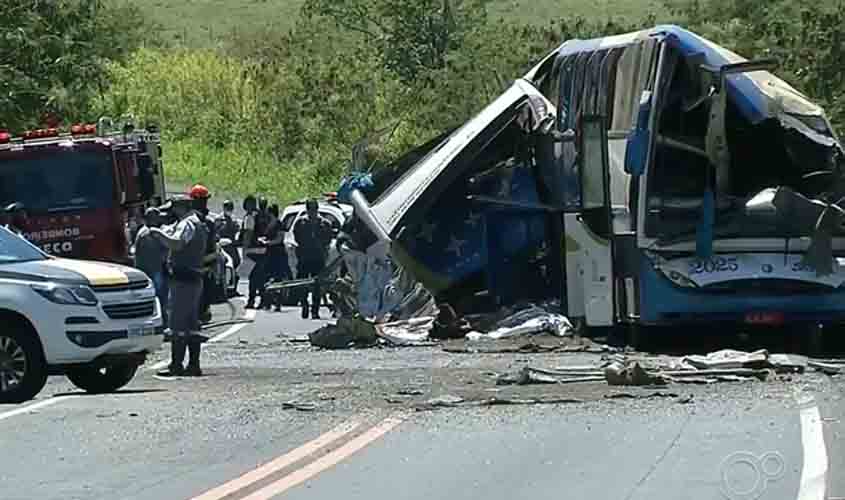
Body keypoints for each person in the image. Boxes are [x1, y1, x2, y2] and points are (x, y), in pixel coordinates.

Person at [151, 194, 208, 377]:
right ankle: (193, 364)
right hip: (193, 279)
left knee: (177, 324)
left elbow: (177, 244)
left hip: (183, 279)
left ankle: (176, 365)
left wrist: (159, 234)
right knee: (191, 325)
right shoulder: (196, 222)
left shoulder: (187, 224)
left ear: (180, 207)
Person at [292, 199, 334, 319]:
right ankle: (304, 305)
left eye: (314, 210)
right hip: (304, 257)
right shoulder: (301, 223)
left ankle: (315, 310)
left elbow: (328, 240)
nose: (312, 213)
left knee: (317, 285)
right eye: (310, 210)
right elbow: (297, 238)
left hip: (318, 257)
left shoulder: (325, 224)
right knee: (302, 283)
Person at [134, 207, 170, 328]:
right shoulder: (150, 233)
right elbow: (163, 252)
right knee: (159, 299)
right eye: (156, 217)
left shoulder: (142, 232)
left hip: (146, 271)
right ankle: (162, 324)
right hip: (154, 271)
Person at [189, 184, 218, 324]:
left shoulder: (209, 222)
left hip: (205, 264)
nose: (203, 203)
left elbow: (212, 246)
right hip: (192, 265)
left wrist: (212, 264)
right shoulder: (188, 221)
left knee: (206, 290)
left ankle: (202, 312)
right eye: (201, 200)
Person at [242, 195, 267, 309]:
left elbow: (248, 233)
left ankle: (253, 300)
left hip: (253, 250)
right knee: (260, 276)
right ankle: (263, 300)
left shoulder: (250, 217)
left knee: (253, 277)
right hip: (263, 249)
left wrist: (245, 248)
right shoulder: (262, 215)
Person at [263, 204, 290, 311]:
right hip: (270, 254)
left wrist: (268, 242)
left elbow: (280, 239)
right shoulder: (269, 224)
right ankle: (268, 302)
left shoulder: (278, 224)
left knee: (278, 279)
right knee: (268, 277)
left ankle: (278, 303)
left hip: (278, 254)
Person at [216, 199, 241, 271]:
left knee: (237, 261)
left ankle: (234, 275)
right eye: (227, 208)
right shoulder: (219, 219)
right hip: (223, 246)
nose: (229, 210)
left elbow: (237, 229)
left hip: (232, 245)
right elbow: (215, 232)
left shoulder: (233, 218)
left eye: (230, 208)